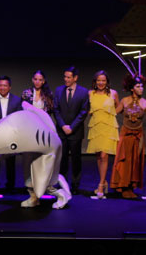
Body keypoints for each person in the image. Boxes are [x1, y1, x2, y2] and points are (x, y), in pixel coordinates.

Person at [52, 66, 89, 195]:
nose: (66, 79)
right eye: (65, 77)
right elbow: (56, 110)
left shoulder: (83, 92)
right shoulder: (59, 90)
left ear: (75, 78)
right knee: (62, 160)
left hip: (76, 132)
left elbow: (83, 112)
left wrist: (72, 127)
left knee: (76, 159)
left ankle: (75, 185)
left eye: (68, 77)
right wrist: (63, 126)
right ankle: (62, 183)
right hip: (62, 131)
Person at [85, 70, 119, 198]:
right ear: (95, 81)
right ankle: (104, 182)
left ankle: (100, 185)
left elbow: (118, 106)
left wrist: (113, 114)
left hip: (109, 126)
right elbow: (87, 109)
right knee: (99, 155)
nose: (101, 83)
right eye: (99, 80)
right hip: (96, 126)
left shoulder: (113, 93)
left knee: (104, 155)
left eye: (103, 80)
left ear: (107, 82)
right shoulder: (90, 94)